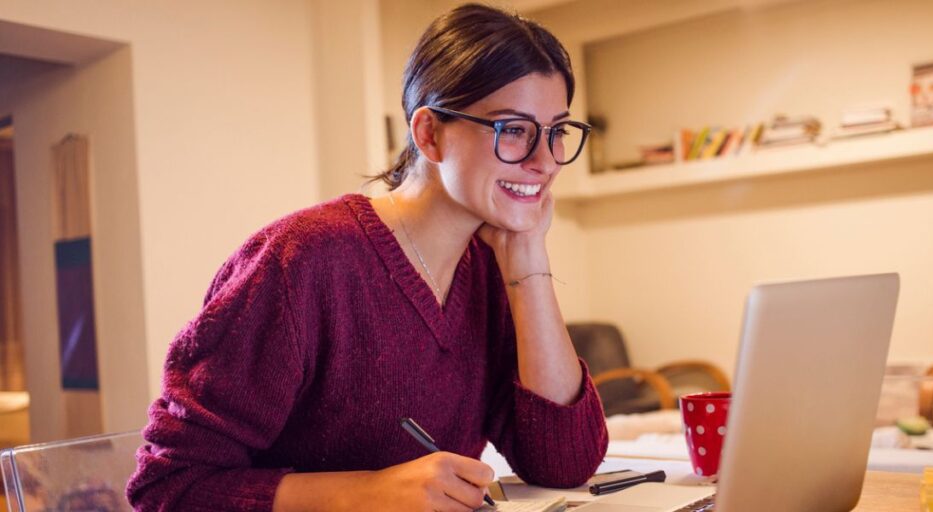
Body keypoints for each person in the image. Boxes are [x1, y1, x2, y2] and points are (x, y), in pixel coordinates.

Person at [126, 3, 607, 511]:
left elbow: (565, 464)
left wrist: (528, 258)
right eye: (513, 129)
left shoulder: (490, 266)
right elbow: (168, 487)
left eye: (557, 132)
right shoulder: (302, 259)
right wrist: (365, 493)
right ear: (429, 134)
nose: (545, 161)